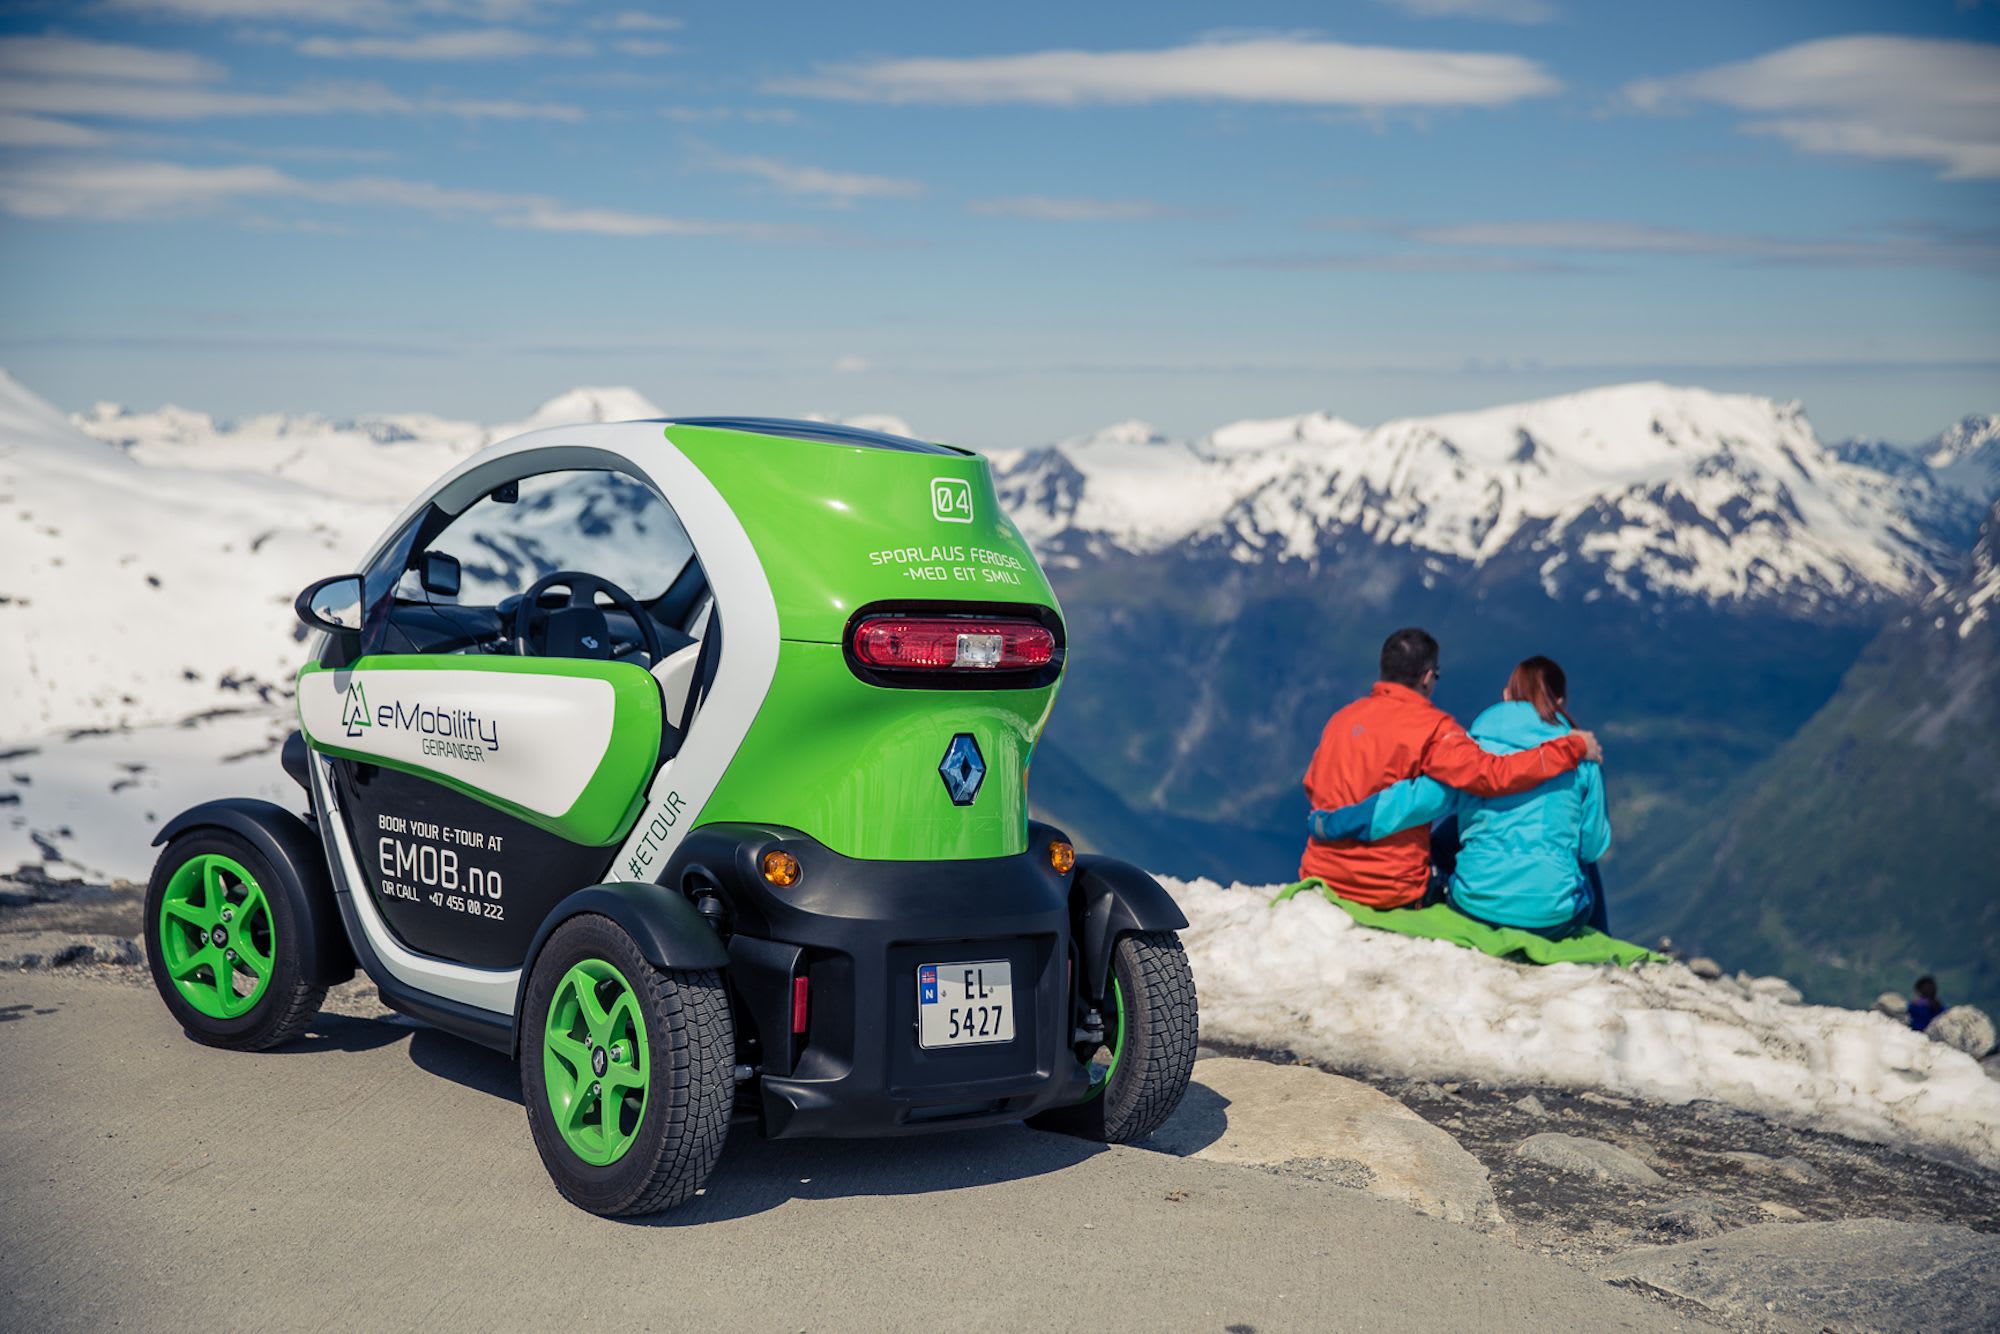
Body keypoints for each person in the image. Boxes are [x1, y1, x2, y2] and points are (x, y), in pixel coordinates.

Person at [1307, 655, 1611, 938]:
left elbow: (1408, 803)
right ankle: (1602, 942)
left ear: (1506, 696)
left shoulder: (1472, 751)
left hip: (1476, 906)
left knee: (1455, 825)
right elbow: (1592, 846)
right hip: (1552, 918)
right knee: (1581, 858)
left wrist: (1333, 823)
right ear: (1560, 702)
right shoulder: (1583, 759)